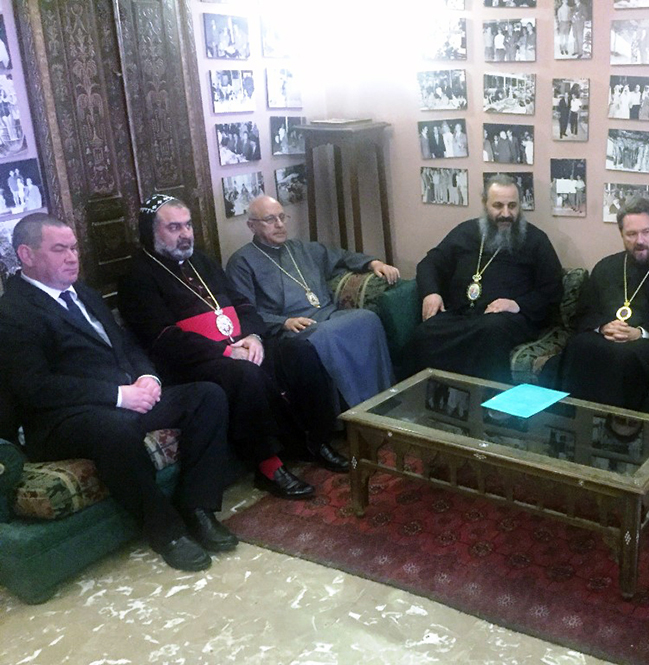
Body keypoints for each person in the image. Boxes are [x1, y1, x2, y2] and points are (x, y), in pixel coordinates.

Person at [0, 213, 239, 572]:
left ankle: (197, 508)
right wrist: (117, 395)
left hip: (125, 396)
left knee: (208, 396)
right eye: (60, 249)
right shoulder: (12, 312)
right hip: (63, 418)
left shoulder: (83, 292)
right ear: (26, 255)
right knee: (116, 431)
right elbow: (36, 387)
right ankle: (166, 532)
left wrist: (148, 377)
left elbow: (126, 343)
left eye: (74, 248)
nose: (72, 257)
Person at [119, 194, 342, 501]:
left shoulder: (202, 261)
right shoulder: (136, 276)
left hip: (239, 344)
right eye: (174, 227)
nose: (185, 234)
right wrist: (226, 352)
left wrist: (253, 337)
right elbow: (164, 339)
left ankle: (316, 441)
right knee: (244, 375)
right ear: (151, 231)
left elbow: (242, 303)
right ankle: (269, 467)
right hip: (192, 362)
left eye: (188, 225)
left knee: (298, 351)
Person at [226, 194, 396, 420]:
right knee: (326, 335)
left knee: (368, 318)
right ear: (252, 226)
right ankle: (351, 414)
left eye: (282, 217)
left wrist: (374, 263)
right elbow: (244, 311)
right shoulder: (242, 261)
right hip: (293, 329)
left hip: (328, 315)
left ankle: (383, 401)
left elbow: (342, 257)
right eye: (270, 219)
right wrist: (283, 322)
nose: (280, 224)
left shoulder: (300, 248)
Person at [404, 174, 563, 384]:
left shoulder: (535, 240)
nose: (506, 214)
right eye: (498, 206)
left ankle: (484, 399)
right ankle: (429, 396)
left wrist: (516, 304)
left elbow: (553, 289)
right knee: (425, 334)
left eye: (512, 206)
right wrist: (431, 293)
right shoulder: (465, 232)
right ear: (485, 204)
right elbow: (430, 263)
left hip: (508, 320)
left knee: (491, 329)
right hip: (462, 315)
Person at [542, 198, 649, 409]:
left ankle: (612, 422)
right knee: (579, 344)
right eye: (631, 234)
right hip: (604, 337)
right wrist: (603, 326)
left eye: (646, 232)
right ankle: (572, 418)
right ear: (621, 234)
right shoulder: (605, 267)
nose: (640, 240)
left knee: (622, 356)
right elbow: (583, 313)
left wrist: (640, 333)